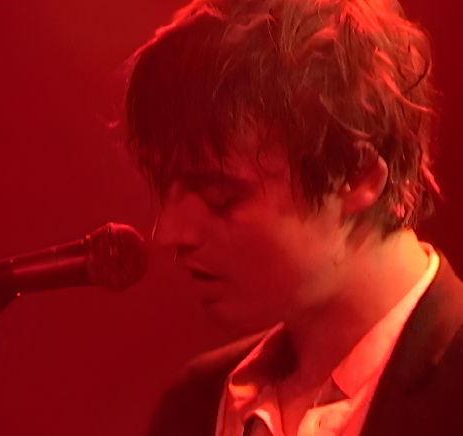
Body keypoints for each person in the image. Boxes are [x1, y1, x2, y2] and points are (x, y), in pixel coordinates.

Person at [123, 0, 463, 435]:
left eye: (218, 194)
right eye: (165, 189)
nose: (169, 232)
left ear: (356, 175)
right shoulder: (191, 406)